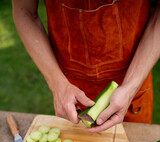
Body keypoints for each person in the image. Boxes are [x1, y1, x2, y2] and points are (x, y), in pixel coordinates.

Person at [12, 0, 160, 133]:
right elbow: (24, 10)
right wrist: (58, 84)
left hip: (135, 83)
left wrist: (131, 86)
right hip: (70, 88)